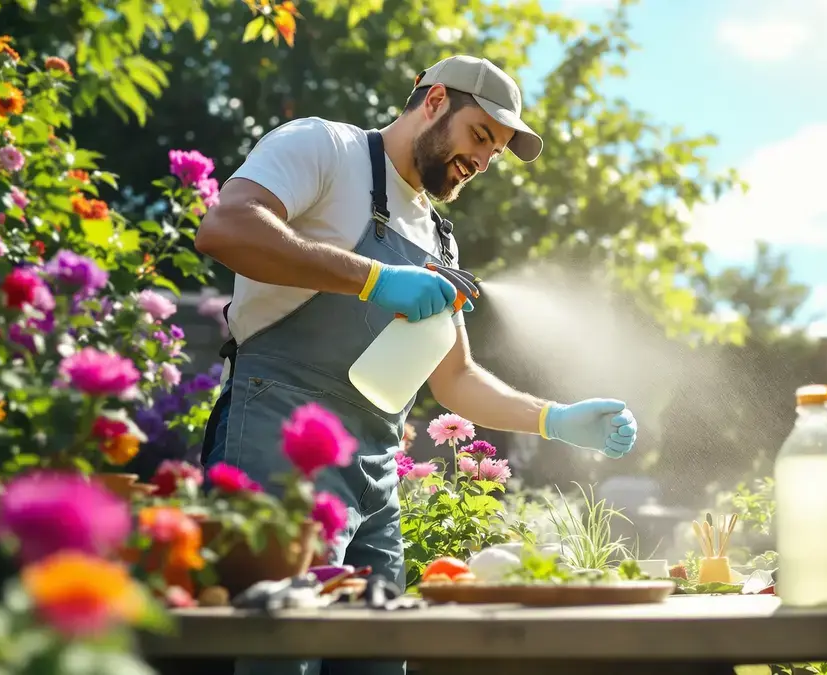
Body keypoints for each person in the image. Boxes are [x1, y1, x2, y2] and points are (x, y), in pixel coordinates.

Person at [194, 55, 639, 675]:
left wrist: (554, 419)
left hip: (374, 473)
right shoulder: (325, 148)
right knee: (278, 652)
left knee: (379, 663)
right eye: (480, 135)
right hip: (282, 433)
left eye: (495, 152)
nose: (483, 161)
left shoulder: (439, 240)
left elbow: (455, 379)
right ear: (432, 102)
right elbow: (226, 227)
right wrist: (372, 277)